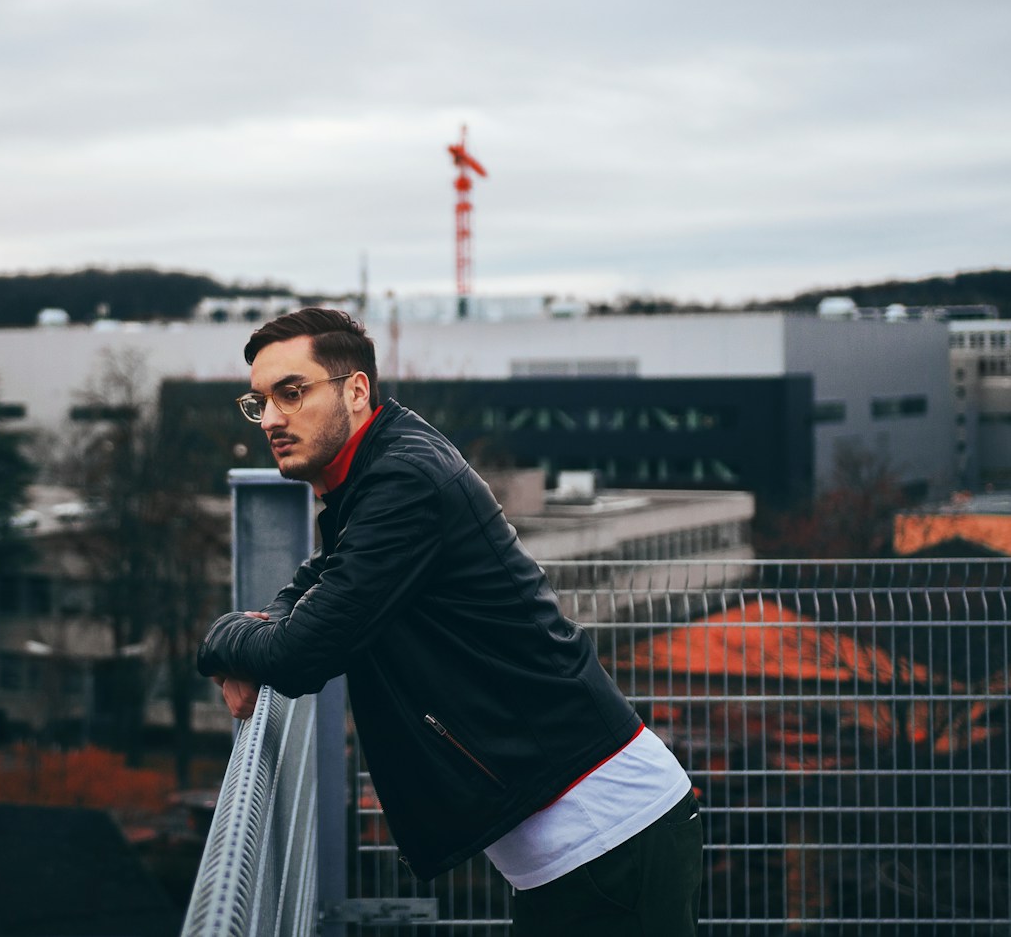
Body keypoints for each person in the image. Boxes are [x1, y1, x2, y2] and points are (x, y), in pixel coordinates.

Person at [198, 307, 702, 935]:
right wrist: (252, 643)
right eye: (259, 402)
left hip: (610, 838)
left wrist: (222, 641)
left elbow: (302, 651)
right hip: (577, 847)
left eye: (291, 393)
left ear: (355, 390)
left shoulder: (402, 481)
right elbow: (309, 589)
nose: (271, 419)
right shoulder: (377, 471)